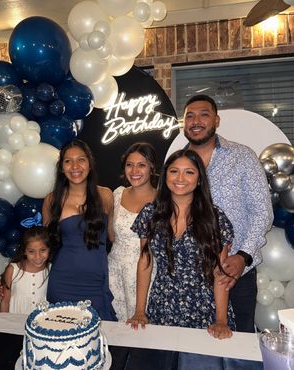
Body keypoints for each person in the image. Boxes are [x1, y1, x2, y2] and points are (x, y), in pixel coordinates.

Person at [127, 149, 235, 369]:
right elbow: (145, 263)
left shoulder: (214, 217)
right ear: (165, 176)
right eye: (174, 171)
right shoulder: (150, 213)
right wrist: (140, 310)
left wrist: (221, 319)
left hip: (205, 310)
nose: (180, 178)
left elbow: (219, 272)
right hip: (162, 307)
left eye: (189, 172)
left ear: (198, 180)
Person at [182, 94, 273, 333]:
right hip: (187, 278)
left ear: (217, 120)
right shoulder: (176, 164)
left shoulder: (242, 156)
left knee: (238, 347)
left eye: (204, 114)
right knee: (191, 349)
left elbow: (262, 212)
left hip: (234, 273)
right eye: (189, 116)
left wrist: (243, 257)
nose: (196, 121)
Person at [42, 139, 116, 321]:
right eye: (68, 161)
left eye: (81, 159)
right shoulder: (51, 200)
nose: (75, 166)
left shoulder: (105, 195)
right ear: (61, 167)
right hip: (62, 282)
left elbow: (113, 235)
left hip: (96, 282)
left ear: (89, 164)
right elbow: (44, 244)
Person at [108, 142, 158, 370]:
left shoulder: (162, 201)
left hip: (144, 273)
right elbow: (111, 234)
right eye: (129, 165)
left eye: (141, 165)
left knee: (142, 336)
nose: (134, 171)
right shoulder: (117, 194)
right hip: (114, 271)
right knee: (117, 336)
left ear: (151, 168)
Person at [0, 222, 51, 314]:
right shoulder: (13, 270)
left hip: (41, 323)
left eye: (43, 250)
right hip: (15, 322)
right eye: (31, 251)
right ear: (24, 251)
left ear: (49, 249)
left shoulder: (51, 269)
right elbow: (5, 302)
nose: (38, 257)